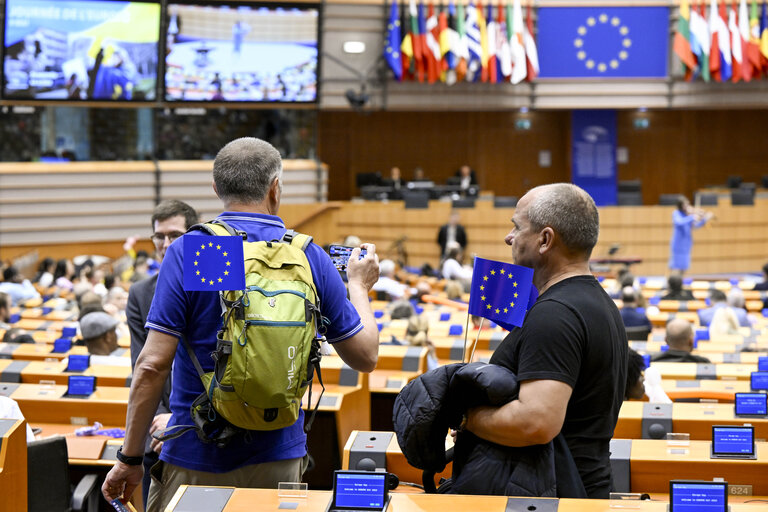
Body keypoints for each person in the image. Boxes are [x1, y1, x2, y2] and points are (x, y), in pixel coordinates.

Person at [102, 137, 381, 511]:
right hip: (279, 454)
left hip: (199, 451)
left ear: (216, 189)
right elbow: (365, 356)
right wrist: (358, 287)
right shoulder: (305, 254)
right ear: (275, 188)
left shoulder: (203, 251)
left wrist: (130, 457)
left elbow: (152, 366)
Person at [465, 183, 628, 499]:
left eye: (517, 227)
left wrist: (467, 418)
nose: (509, 237)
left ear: (545, 240)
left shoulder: (555, 314)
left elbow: (536, 423)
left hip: (554, 496)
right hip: (578, 487)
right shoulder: (599, 302)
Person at [126, 199, 198, 508]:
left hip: (199, 427)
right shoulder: (140, 293)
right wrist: (159, 420)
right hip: (156, 434)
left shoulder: (213, 288)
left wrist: (179, 419)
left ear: (193, 237)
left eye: (175, 235)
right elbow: (142, 366)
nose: (166, 244)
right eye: (160, 236)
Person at [668, 196, 713, 275]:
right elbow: (679, 222)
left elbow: (695, 226)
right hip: (678, 245)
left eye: (688, 204)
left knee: (684, 268)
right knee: (675, 267)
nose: (688, 207)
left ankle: (680, 282)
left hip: (686, 245)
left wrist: (705, 219)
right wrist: (692, 217)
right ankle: (672, 282)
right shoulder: (676, 213)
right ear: (680, 205)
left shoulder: (687, 215)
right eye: (685, 205)